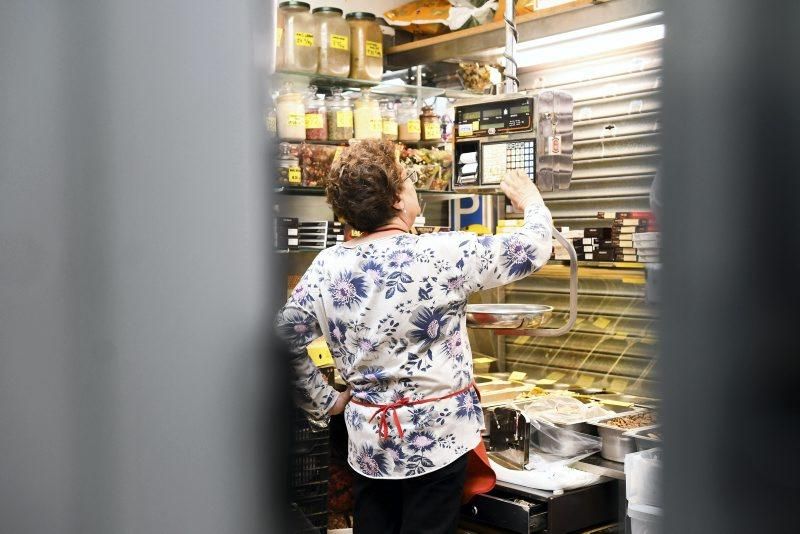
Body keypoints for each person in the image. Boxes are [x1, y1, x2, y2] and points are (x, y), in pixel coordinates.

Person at [275, 139, 553, 533]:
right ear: (394, 200)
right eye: (406, 179)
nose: (413, 186)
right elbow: (534, 247)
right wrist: (531, 201)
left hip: (369, 444)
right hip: (438, 442)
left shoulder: (327, 265)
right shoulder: (441, 253)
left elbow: (280, 340)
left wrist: (329, 403)